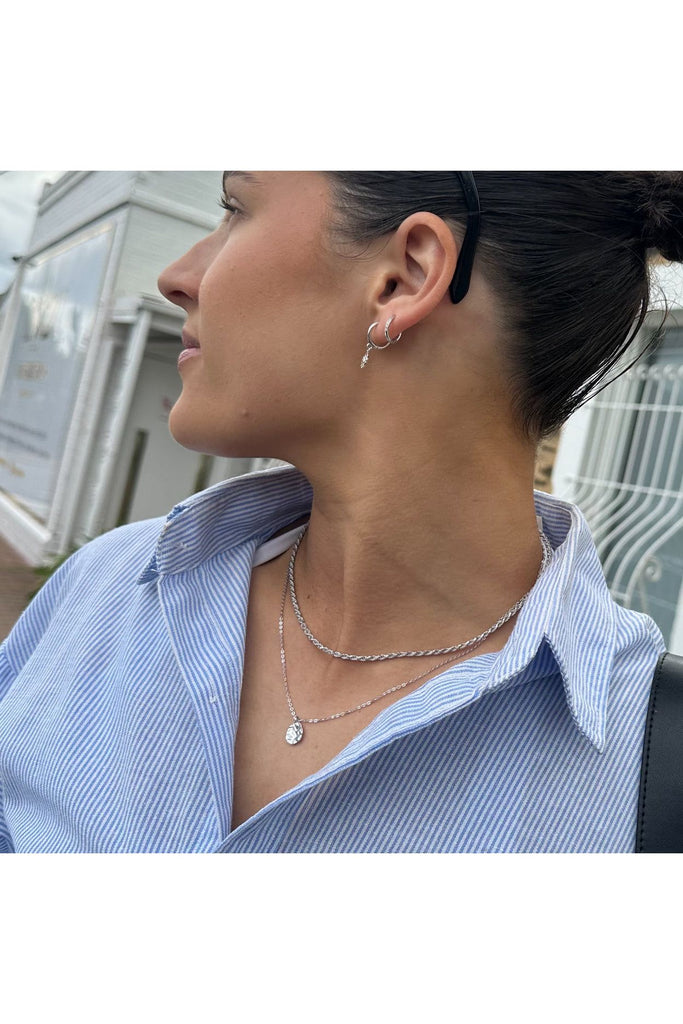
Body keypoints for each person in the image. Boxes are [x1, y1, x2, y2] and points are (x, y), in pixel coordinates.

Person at [1, 171, 681, 853]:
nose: (177, 277)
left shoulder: (648, 771)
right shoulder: (98, 596)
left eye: (235, 208)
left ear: (405, 276)